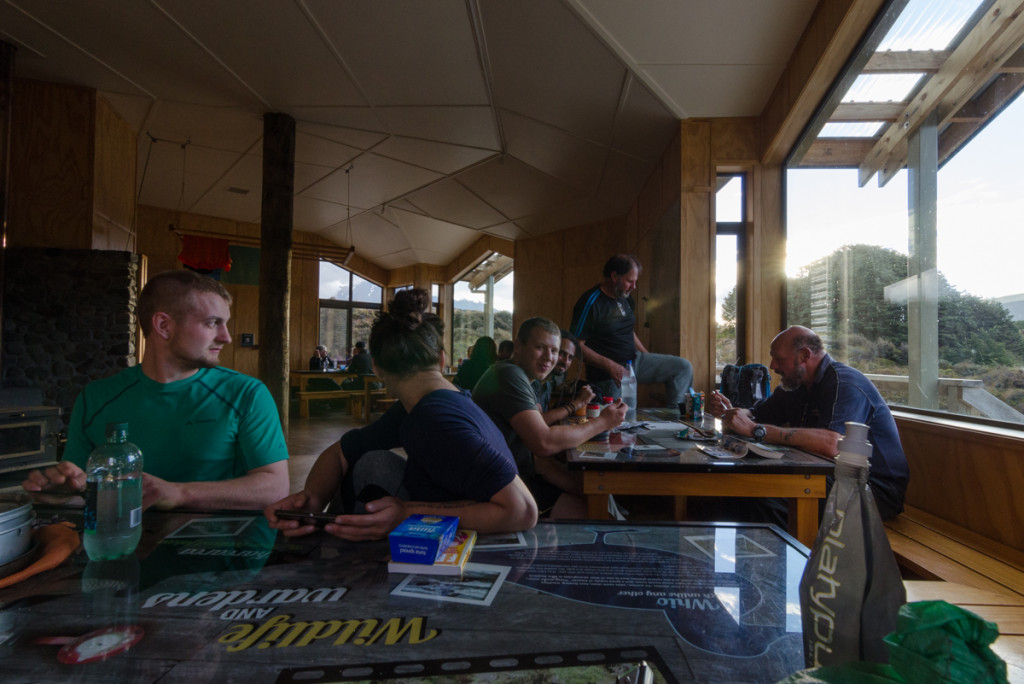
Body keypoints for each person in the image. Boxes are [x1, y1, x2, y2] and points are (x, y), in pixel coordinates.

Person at [266, 288, 537, 541]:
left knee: (372, 465)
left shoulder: (436, 420)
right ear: (442, 359)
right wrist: (311, 499)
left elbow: (523, 510)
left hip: (471, 551)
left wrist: (406, 513)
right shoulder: (422, 406)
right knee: (369, 459)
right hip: (449, 538)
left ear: (377, 368)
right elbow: (340, 453)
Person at [23, 270, 290, 511]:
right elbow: (84, 490)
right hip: (120, 545)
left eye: (225, 323)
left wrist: (180, 493)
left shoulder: (246, 393)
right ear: (164, 325)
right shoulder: (96, 398)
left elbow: (274, 487)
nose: (226, 337)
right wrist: (61, 494)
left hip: (218, 549)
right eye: (212, 323)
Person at [709, 325, 910, 520]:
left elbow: (833, 444)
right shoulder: (796, 385)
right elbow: (758, 414)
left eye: (778, 359)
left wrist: (756, 430)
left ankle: (790, 554)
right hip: (827, 475)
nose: (772, 366)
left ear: (804, 356)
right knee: (731, 486)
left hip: (872, 488)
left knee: (761, 499)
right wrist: (733, 413)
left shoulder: (844, 384)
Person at [473, 317, 626, 518]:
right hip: (501, 487)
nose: (549, 358)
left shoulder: (520, 376)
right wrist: (603, 422)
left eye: (554, 351)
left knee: (597, 499)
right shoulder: (509, 375)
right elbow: (544, 442)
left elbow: (539, 457)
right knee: (594, 513)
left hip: (515, 477)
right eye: (540, 347)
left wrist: (584, 488)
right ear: (518, 346)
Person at [570, 254, 693, 406]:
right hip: (607, 375)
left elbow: (628, 330)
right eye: (630, 281)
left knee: (682, 367)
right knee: (623, 417)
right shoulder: (590, 302)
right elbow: (575, 345)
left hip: (634, 361)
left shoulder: (626, 297)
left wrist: (648, 356)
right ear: (614, 276)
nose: (634, 286)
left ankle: (678, 418)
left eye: (635, 281)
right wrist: (611, 366)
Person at [537, 330, 595, 426]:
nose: (565, 362)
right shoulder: (533, 380)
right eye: (562, 354)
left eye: (570, 358)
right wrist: (578, 403)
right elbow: (538, 423)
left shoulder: (547, 383)